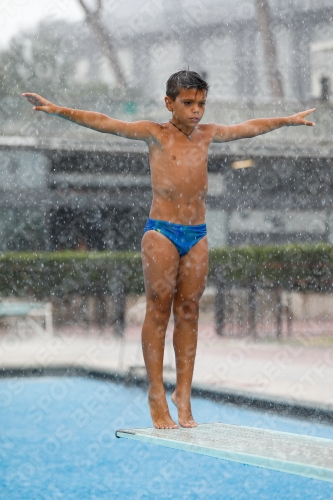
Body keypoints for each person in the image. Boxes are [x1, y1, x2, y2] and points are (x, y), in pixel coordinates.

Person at [23, 71, 315, 429]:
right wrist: (57, 110)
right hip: (161, 231)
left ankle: (184, 394)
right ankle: (156, 392)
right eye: (188, 103)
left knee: (189, 311)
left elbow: (249, 127)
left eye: (202, 104)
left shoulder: (208, 135)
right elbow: (105, 123)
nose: (197, 111)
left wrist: (286, 120)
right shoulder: (155, 134)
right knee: (159, 309)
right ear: (169, 103)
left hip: (197, 233)